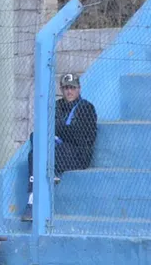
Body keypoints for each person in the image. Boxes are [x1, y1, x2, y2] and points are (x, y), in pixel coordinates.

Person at [22, 73, 97, 222]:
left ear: (79, 89)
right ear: (61, 90)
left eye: (72, 88)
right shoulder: (57, 106)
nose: (69, 92)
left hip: (78, 155)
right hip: (57, 149)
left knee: (40, 153)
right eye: (66, 88)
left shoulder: (86, 108)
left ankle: (32, 204)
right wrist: (62, 131)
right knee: (35, 146)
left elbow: (83, 137)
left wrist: (58, 130)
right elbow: (44, 130)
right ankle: (33, 199)